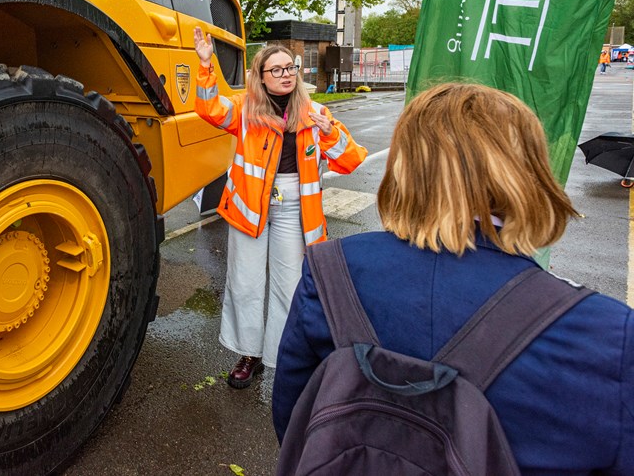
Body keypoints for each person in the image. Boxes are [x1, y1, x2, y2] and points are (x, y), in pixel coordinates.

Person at [273, 83, 634, 473]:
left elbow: (293, 415)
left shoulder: (330, 267)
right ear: (527, 170)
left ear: (405, 167)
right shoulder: (609, 334)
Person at [192, 30, 366, 388]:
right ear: (261, 77)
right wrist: (206, 63)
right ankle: (249, 354)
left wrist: (329, 132)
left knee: (289, 287)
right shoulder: (245, 109)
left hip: (293, 211)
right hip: (249, 207)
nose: (287, 74)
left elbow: (351, 159)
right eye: (277, 69)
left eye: (291, 67)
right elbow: (209, 108)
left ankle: (282, 358)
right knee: (245, 283)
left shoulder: (317, 113)